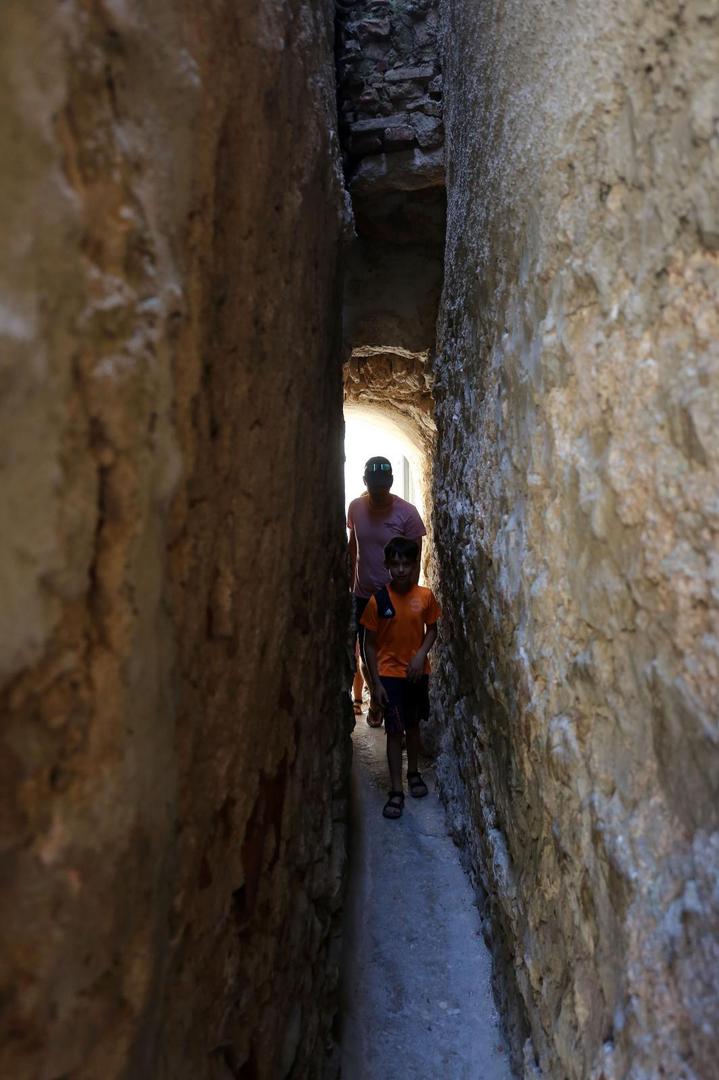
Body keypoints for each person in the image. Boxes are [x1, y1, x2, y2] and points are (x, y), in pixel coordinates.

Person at [361, 537, 441, 819]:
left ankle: (413, 772)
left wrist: (421, 656)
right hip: (389, 676)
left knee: (413, 725)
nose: (401, 569)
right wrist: (376, 682)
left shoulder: (425, 597)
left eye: (406, 563)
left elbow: (432, 629)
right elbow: (369, 644)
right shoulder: (378, 601)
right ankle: (396, 789)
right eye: (395, 564)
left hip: (416, 675)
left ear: (414, 564)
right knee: (394, 731)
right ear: (387, 565)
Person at [348, 456, 426, 726]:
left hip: (393, 596)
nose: (379, 492)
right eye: (374, 486)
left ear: (391, 482)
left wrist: (408, 597)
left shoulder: (408, 514)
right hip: (363, 595)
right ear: (365, 482)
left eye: (383, 486)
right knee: (367, 653)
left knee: (394, 654)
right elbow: (353, 547)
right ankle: (378, 700)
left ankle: (394, 709)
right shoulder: (356, 508)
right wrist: (349, 586)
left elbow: (415, 558)